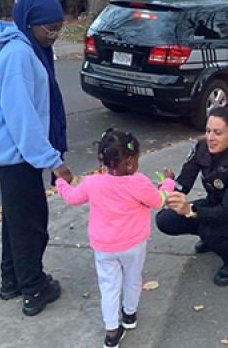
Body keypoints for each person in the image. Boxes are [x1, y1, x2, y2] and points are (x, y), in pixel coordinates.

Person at [0, 0, 72, 316]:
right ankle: (33, 289)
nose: (55, 35)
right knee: (31, 226)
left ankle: (11, 281)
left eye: (59, 28)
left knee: (16, 222)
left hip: (19, 155)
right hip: (19, 154)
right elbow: (23, 119)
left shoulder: (29, 48)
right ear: (29, 24)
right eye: (49, 29)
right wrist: (53, 162)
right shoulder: (19, 56)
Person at [55, 129, 174, 348]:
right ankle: (129, 315)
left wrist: (61, 182)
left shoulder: (93, 182)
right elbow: (158, 201)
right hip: (134, 245)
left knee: (109, 286)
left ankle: (111, 333)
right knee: (133, 278)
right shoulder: (139, 183)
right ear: (129, 162)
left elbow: (72, 198)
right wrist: (167, 184)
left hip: (105, 248)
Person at [156, 104, 228, 286]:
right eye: (208, 131)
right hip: (216, 205)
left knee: (208, 227)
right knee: (165, 220)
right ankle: (215, 239)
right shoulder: (201, 148)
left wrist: (191, 211)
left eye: (218, 133)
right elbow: (183, 183)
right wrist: (168, 189)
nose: (210, 138)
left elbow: (226, 212)